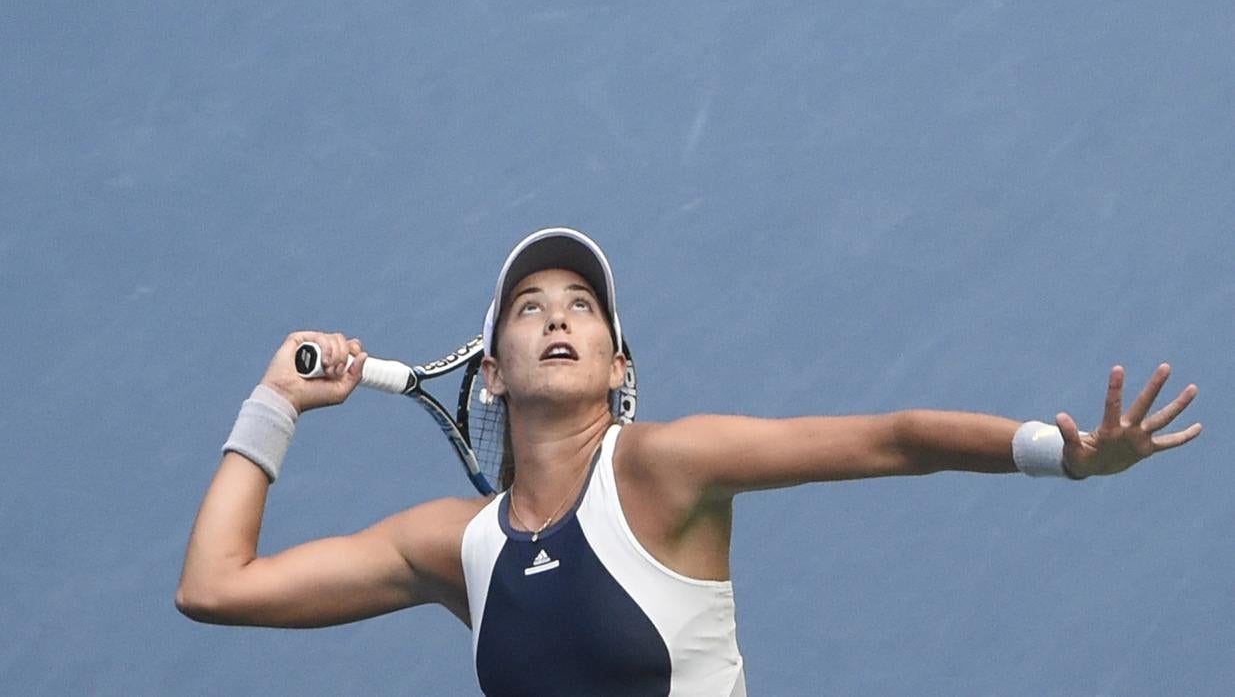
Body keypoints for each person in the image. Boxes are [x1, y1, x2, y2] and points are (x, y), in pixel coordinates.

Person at [177, 227, 1202, 696]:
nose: (558, 317)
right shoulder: (453, 546)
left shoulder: (666, 467)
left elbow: (890, 437)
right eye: (529, 309)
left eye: (582, 305)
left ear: (618, 364)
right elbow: (216, 587)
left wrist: (1058, 457)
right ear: (490, 372)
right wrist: (276, 402)